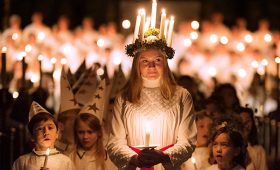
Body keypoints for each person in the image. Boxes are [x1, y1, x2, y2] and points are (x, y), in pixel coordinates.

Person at [107, 3, 197, 169]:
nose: (151, 66)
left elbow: (188, 140)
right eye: (145, 61)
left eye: (157, 60)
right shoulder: (124, 97)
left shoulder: (182, 96)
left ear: (165, 63)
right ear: (136, 65)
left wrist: (163, 156)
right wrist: (135, 159)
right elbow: (114, 143)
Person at [12, 101, 75, 170]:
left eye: (50, 128)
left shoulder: (66, 162)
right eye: (40, 129)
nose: (46, 132)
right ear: (32, 136)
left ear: (57, 133)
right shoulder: (22, 162)